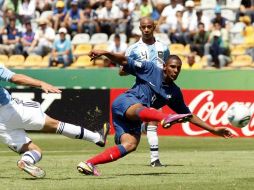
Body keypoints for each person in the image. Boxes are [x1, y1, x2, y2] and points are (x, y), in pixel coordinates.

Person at [76, 51, 233, 176]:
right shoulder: (150, 68)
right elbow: (124, 61)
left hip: (134, 118)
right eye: (172, 66)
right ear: (164, 66)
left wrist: (213, 129)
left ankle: (89, 163)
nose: (175, 70)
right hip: (126, 102)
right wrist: (105, 52)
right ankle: (165, 118)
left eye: (178, 68)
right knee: (141, 108)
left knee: (130, 145)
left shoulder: (174, 93)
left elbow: (188, 115)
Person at [0, 64, 110, 178]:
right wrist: (41, 83)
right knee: (55, 125)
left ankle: (26, 161)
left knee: (35, 150)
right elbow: (14, 78)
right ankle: (97, 138)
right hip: (9, 109)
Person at [121, 17, 170, 167]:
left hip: (158, 90)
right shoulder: (133, 49)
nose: (147, 30)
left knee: (154, 122)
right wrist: (136, 67)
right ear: (140, 28)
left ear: (154, 27)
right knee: (149, 122)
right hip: (141, 90)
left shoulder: (164, 48)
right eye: (144, 27)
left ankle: (154, 159)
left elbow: (166, 68)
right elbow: (122, 71)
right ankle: (142, 127)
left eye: (149, 27)